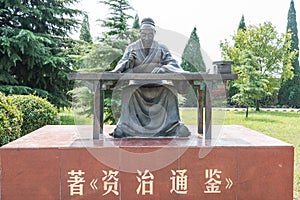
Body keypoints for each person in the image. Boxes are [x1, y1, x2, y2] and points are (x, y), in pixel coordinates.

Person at [110, 17, 191, 138]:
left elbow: (173, 64)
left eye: (150, 34)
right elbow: (119, 67)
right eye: (144, 34)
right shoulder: (132, 48)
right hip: (137, 85)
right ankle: (126, 127)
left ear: (154, 34)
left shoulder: (161, 48)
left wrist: (164, 68)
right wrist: (128, 62)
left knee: (170, 91)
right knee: (128, 91)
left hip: (158, 84)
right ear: (140, 34)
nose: (147, 38)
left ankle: (173, 126)